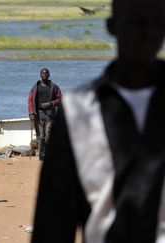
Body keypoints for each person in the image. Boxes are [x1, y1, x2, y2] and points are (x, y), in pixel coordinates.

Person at [31, 0, 165, 242]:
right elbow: (53, 222)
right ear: (113, 26)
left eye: (158, 23)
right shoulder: (79, 111)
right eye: (136, 22)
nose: (147, 33)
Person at [28, 68, 62, 161]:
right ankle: (41, 155)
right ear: (40, 75)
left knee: (48, 136)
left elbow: (60, 99)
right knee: (41, 136)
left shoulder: (54, 87)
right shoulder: (35, 87)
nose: (44, 75)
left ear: (49, 75)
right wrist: (31, 113)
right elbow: (30, 100)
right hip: (38, 114)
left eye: (46, 73)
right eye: (43, 73)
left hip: (50, 114)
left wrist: (51, 104)